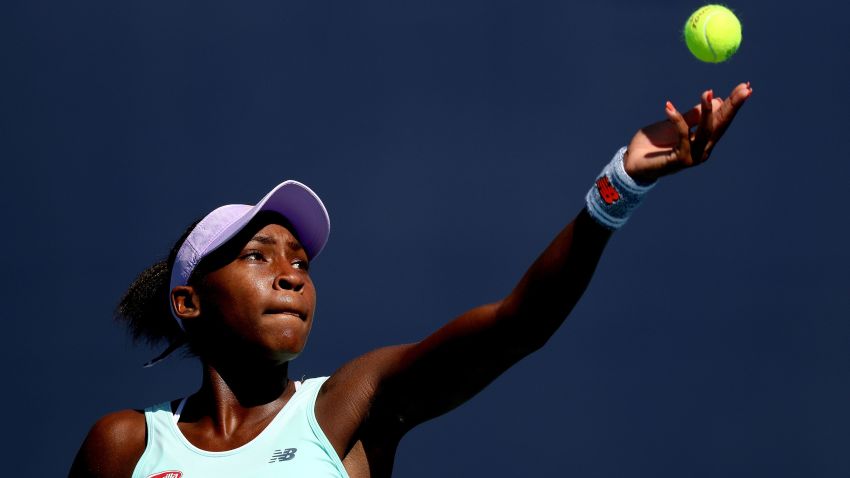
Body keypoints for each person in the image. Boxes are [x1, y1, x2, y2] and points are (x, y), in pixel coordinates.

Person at [69, 83, 752, 478]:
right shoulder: (125, 446)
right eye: (259, 256)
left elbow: (518, 326)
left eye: (301, 262)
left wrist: (620, 186)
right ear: (188, 302)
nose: (291, 274)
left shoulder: (348, 406)